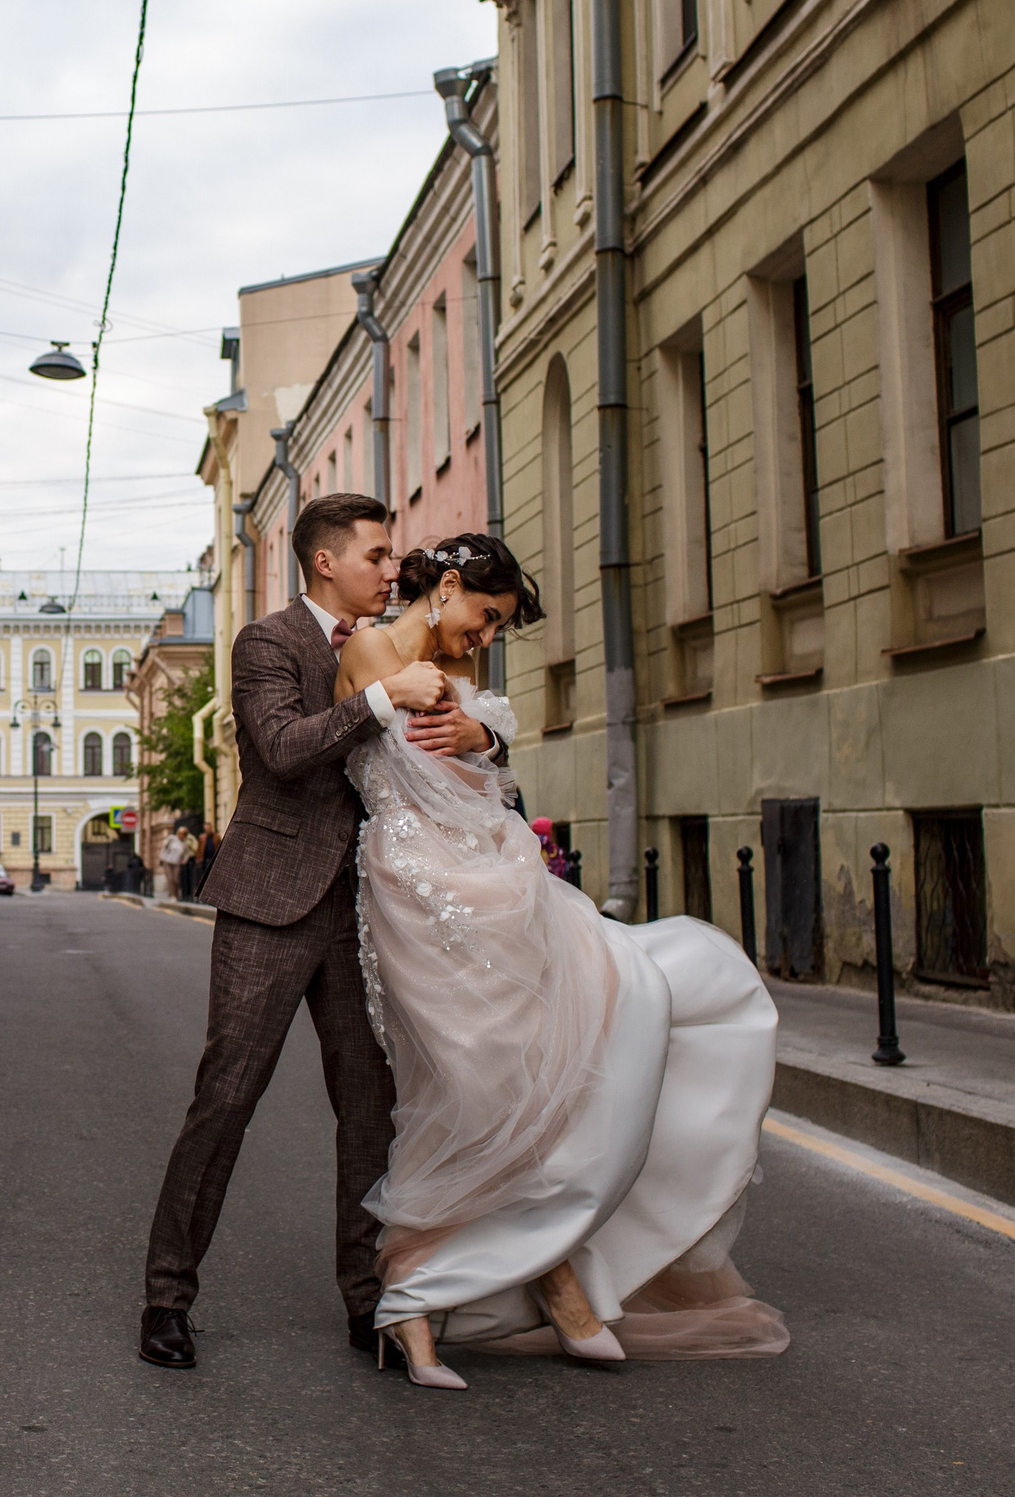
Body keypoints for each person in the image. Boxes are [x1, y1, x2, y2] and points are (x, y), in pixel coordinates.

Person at [334, 532, 786, 1389]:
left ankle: (546, 1262)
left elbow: (485, 784)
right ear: (452, 585)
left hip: (500, 885)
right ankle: (442, 1291)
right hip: (416, 890)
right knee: (465, 1088)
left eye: (500, 627)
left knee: (595, 1034)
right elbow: (344, 746)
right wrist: (393, 695)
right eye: (487, 615)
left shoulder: (465, 680)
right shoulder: (369, 648)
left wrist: (482, 738)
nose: (487, 636)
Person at [139, 494, 504, 1371]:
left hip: (369, 912)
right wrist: (381, 697)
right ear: (325, 562)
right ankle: (166, 1295)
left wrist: (478, 732)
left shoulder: (411, 647)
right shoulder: (268, 641)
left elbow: (458, 761)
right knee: (226, 1097)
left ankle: (368, 1301)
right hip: (269, 901)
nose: (393, 570)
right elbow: (280, 747)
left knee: (368, 1112)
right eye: (377, 556)